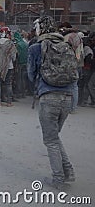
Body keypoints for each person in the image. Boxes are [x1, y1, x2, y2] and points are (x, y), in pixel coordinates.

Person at [27, 16, 75, 191]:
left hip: (48, 97)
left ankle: (59, 179)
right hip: (68, 96)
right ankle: (68, 171)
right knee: (54, 136)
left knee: (51, 140)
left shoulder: (36, 48)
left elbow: (31, 75)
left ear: (41, 29)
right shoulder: (66, 45)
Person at [0, 26, 16, 106]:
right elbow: (14, 57)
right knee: (8, 84)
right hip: (9, 66)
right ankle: (9, 102)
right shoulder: (10, 43)